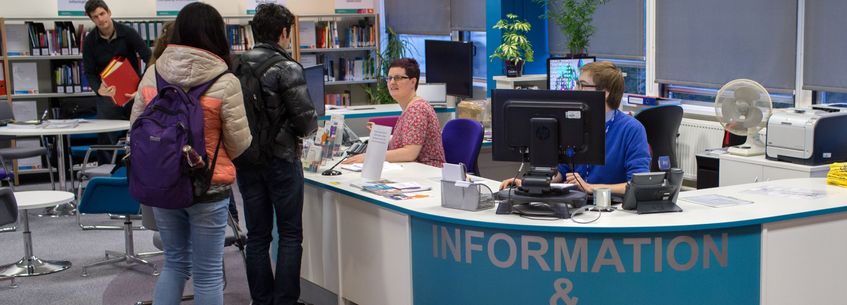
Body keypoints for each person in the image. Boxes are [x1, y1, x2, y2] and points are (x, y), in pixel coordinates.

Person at [129, 3, 250, 305]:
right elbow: (239, 144)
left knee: (173, 264)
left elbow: (136, 129)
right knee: (208, 273)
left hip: (164, 183)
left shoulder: (153, 74)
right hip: (208, 186)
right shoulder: (226, 82)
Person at [235, 3, 318, 305]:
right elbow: (307, 123)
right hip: (282, 160)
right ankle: (284, 301)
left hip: (246, 160)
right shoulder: (288, 68)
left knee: (256, 235)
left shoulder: (236, 65)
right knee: (290, 234)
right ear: (284, 32)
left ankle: (261, 300)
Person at [500, 61, 651, 195]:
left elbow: (638, 185)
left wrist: (591, 188)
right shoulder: (573, 123)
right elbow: (562, 171)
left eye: (582, 85)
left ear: (604, 93)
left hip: (610, 210)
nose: (575, 89)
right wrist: (530, 183)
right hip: (574, 203)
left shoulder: (632, 129)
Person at [342, 58, 446, 168]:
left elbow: (409, 153)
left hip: (426, 173)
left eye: (398, 78)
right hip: (412, 170)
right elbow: (406, 142)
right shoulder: (410, 106)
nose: (392, 82)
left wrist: (371, 156)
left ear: (413, 82)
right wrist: (380, 134)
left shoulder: (417, 109)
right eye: (389, 78)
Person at [83, 0, 151, 163]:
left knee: (141, 131)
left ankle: (142, 169)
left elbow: (149, 58)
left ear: (109, 12)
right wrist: (99, 89)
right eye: (95, 17)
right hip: (108, 96)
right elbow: (90, 72)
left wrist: (142, 86)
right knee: (106, 137)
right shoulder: (90, 41)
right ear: (91, 19)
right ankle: (107, 174)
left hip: (133, 92)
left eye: (102, 14)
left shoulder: (128, 33)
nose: (100, 19)